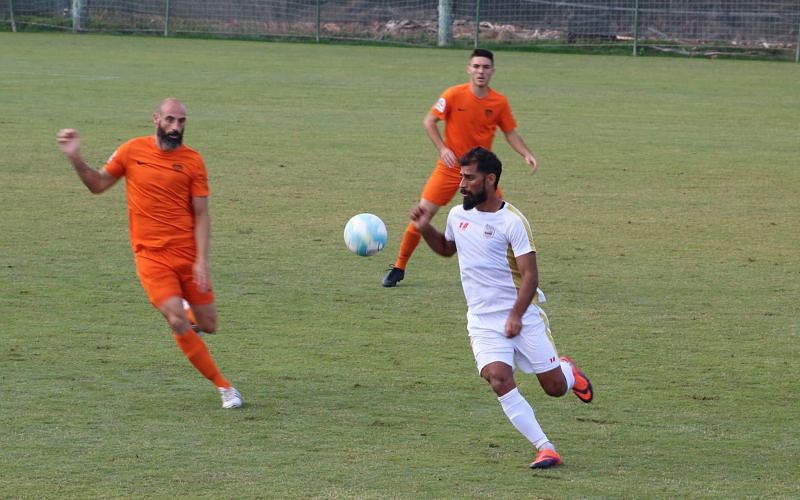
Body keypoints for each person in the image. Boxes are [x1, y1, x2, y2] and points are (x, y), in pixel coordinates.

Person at [410, 147, 593, 468]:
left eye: (469, 178)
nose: (461, 184)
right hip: (482, 320)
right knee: (498, 378)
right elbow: (446, 248)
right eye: (461, 177)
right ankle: (545, 447)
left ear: (490, 179)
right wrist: (425, 227)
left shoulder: (513, 222)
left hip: (523, 317)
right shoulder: (457, 215)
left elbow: (530, 276)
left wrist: (516, 316)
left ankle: (567, 370)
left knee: (553, 388)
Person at [56, 98, 242, 409]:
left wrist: (202, 261)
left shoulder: (193, 161)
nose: (176, 127)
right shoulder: (131, 151)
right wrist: (76, 158)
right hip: (151, 256)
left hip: (187, 255)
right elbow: (98, 185)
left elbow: (201, 215)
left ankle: (188, 310)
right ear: (156, 118)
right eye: (170, 120)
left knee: (208, 325)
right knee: (176, 320)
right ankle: (225, 388)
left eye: (181, 122)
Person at [383, 48, 538, 287]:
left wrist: (526, 153)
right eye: (476, 66)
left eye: (486, 67)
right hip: (449, 168)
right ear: (469, 69)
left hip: (481, 175)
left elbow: (510, 132)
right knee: (421, 214)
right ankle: (399, 267)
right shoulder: (453, 95)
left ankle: (517, 272)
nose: (481, 71)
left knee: (500, 219)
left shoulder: (499, 102)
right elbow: (429, 121)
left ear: (492, 71)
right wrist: (443, 149)